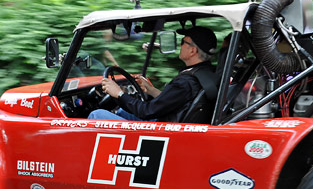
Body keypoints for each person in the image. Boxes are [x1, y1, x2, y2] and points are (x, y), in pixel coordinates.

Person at [88, 25, 217, 123]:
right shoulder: (204, 73)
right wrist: (152, 90)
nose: (180, 45)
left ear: (192, 51)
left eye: (183, 42)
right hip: (169, 121)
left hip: (163, 131)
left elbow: (146, 111)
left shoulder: (186, 82)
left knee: (96, 115)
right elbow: (176, 102)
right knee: (122, 111)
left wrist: (119, 93)